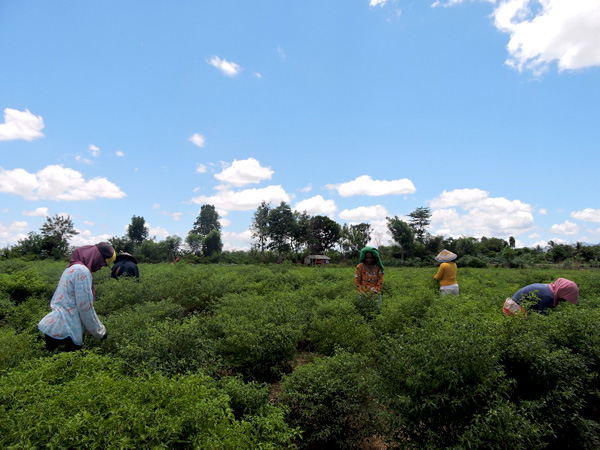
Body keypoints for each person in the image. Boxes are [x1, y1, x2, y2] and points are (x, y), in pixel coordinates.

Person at [38, 242, 115, 352]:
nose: (102, 266)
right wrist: (100, 332)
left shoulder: (71, 269)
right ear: (97, 256)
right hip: (66, 332)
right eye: (105, 262)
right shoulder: (81, 271)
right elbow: (85, 307)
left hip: (54, 327)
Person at [503, 277, 579, 315]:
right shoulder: (549, 296)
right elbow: (541, 315)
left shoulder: (549, 288)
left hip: (509, 305)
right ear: (563, 292)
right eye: (565, 298)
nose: (564, 300)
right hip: (513, 309)